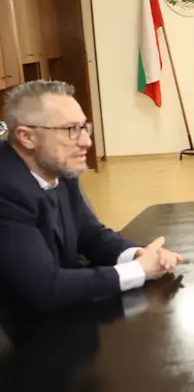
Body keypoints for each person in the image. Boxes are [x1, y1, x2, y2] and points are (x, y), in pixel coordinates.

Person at [0, 80, 182, 312]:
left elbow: (91, 235)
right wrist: (139, 270)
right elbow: (45, 288)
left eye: (84, 127)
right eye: (70, 130)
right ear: (26, 137)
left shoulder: (59, 168)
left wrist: (138, 254)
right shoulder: (6, 189)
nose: (86, 141)